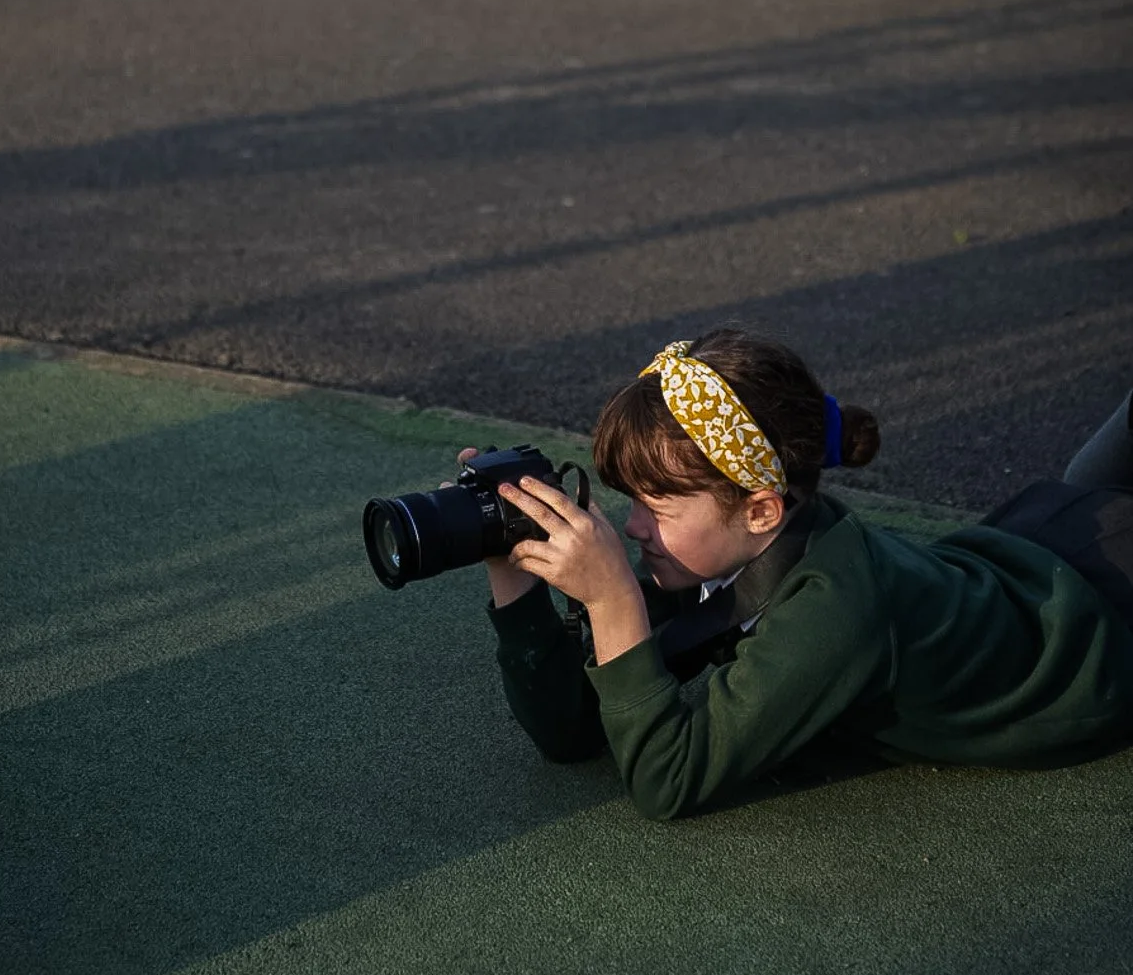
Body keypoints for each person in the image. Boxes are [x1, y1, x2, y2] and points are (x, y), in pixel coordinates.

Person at [476, 328, 1133, 820]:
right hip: (1041, 551)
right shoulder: (743, 552)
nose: (633, 527)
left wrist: (613, 598)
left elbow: (667, 779)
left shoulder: (831, 611)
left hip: (1099, 641)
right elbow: (572, 732)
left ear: (760, 509)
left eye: (658, 505)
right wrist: (511, 573)